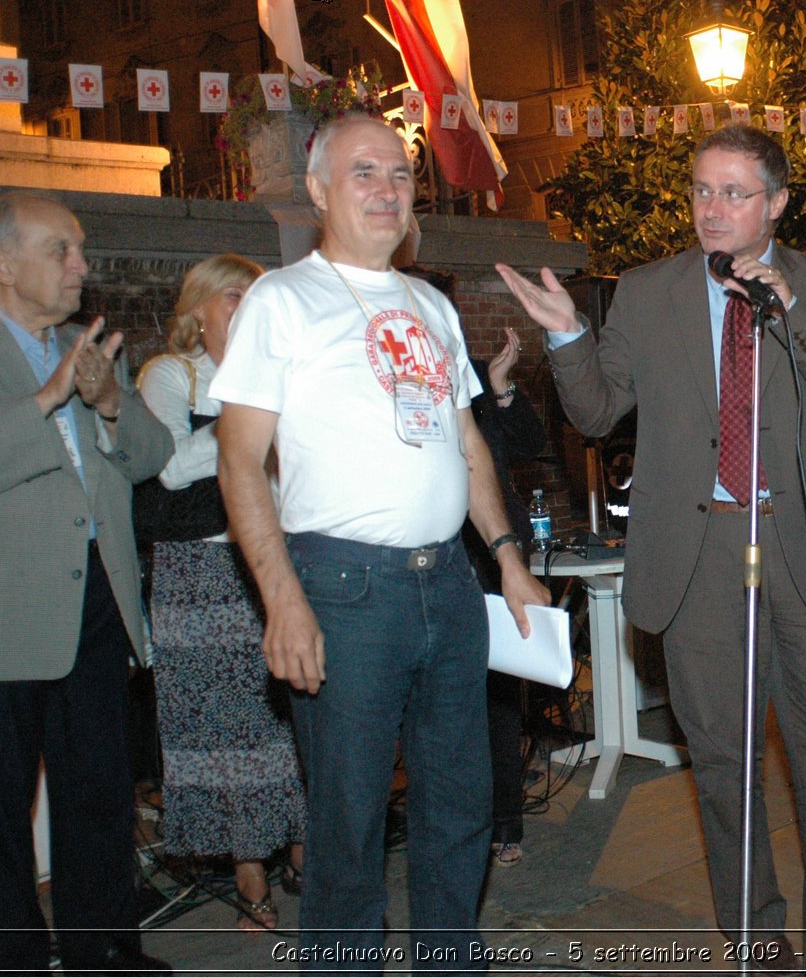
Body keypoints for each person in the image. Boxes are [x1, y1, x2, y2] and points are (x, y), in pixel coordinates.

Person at [496, 124, 806, 971]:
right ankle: (754, 928)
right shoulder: (649, 292)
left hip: (802, 542)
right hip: (698, 554)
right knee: (726, 759)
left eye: (734, 193)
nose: (712, 208)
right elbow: (593, 413)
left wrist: (788, 306)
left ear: (775, 203)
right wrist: (563, 338)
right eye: (701, 190)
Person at [212, 113, 548, 972]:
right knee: (350, 819)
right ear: (320, 189)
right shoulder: (281, 301)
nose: (388, 190)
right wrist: (281, 598)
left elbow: (467, 444)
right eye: (364, 173)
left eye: (399, 175)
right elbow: (240, 461)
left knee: (459, 806)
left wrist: (507, 557)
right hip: (343, 587)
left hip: (448, 588)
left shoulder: (431, 304)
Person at [0, 191, 174, 975]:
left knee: (100, 796)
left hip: (98, 601)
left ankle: (104, 952)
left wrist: (107, 402)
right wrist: (49, 397)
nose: (82, 266)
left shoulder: (93, 346)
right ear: (0, 264)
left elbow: (150, 457)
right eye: (61, 251)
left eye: (80, 249)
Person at [137, 255, 306, 932]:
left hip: (276, 562)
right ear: (199, 307)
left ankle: (303, 850)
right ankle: (249, 876)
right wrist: (246, 413)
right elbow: (171, 470)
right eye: (236, 295)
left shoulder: (279, 374)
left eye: (256, 295)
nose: (248, 306)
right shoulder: (169, 375)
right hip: (201, 577)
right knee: (221, 731)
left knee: (286, 720)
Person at [461, 328, 549, 867]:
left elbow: (529, 444)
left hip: (493, 552)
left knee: (497, 697)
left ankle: (503, 823)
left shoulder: (469, 369)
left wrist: (500, 387)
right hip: (433, 550)